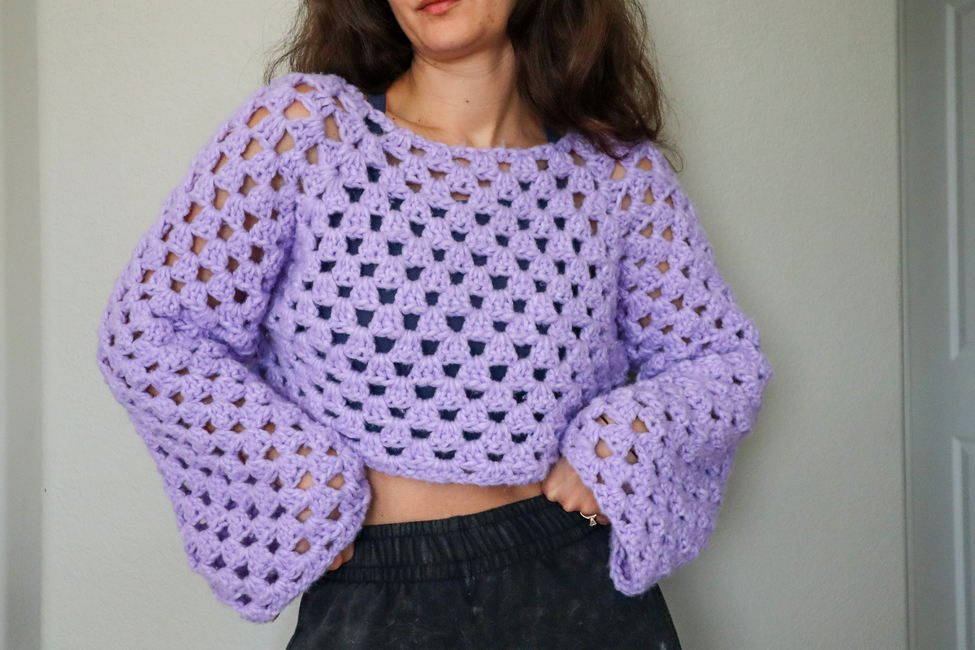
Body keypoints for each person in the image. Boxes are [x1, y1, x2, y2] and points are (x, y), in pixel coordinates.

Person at [95, 0, 773, 647]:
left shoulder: (617, 174)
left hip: (574, 586)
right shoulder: (305, 132)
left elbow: (721, 359)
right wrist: (298, 479)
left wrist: (622, 446)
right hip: (375, 591)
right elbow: (152, 331)